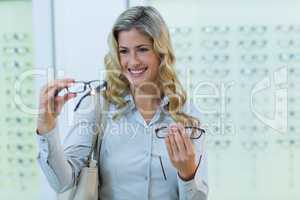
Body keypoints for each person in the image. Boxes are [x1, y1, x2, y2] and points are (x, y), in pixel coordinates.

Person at [36, 6, 208, 200]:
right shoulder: (97, 106)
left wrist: (187, 174)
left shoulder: (186, 114)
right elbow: (62, 182)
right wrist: (47, 129)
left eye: (142, 49)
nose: (132, 61)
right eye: (124, 51)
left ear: (161, 51)